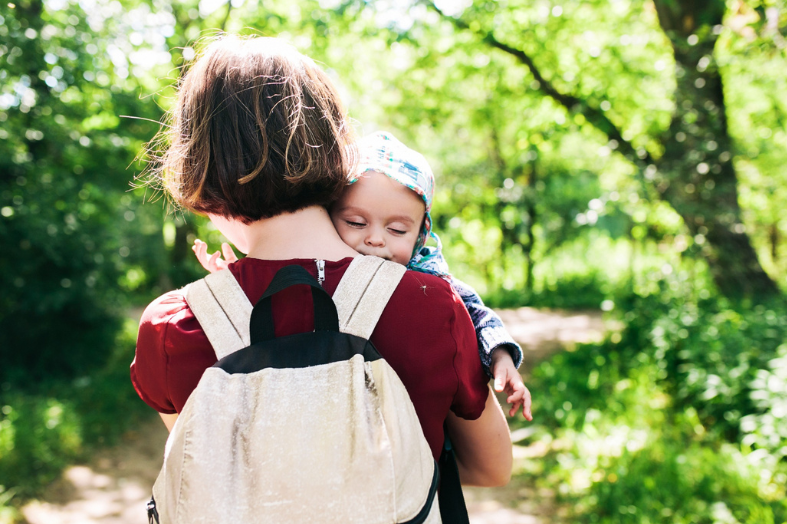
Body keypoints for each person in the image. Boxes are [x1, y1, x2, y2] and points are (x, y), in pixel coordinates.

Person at [131, 34, 512, 487]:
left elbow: (207, 475)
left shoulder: (173, 328)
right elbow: (490, 469)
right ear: (333, 146)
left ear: (199, 166)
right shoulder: (431, 305)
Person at [194, 131, 533, 420]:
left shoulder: (430, 281)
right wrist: (237, 279)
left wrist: (500, 355)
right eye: (356, 223)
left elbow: (476, 312)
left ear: (421, 235)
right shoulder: (321, 268)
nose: (375, 239)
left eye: (397, 230)